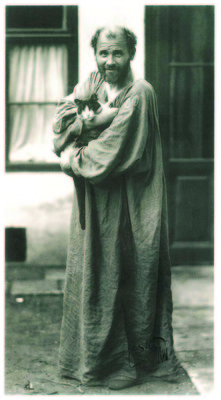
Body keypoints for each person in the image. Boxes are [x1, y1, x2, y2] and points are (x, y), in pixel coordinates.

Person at [52, 25, 180, 390]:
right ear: (95, 54)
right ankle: (101, 363)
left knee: (130, 277)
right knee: (99, 277)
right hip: (97, 203)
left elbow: (111, 152)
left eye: (117, 53)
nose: (109, 61)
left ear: (131, 54)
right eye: (103, 52)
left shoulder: (141, 92)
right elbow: (58, 127)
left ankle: (131, 365)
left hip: (132, 203)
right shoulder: (92, 84)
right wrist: (91, 121)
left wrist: (72, 157)